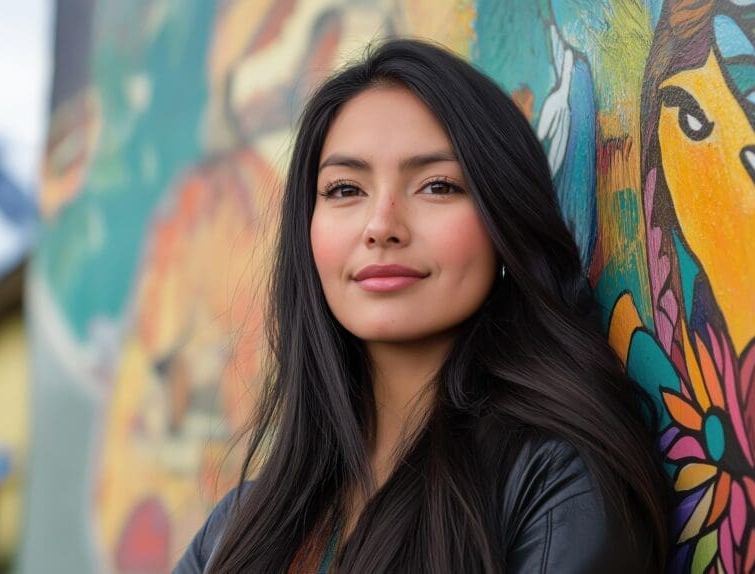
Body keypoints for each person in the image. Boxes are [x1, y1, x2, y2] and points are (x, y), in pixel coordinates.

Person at [174, 38, 669, 573]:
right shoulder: (238, 529)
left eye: (436, 186)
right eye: (344, 189)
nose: (382, 225)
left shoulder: (554, 485)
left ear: (503, 224)